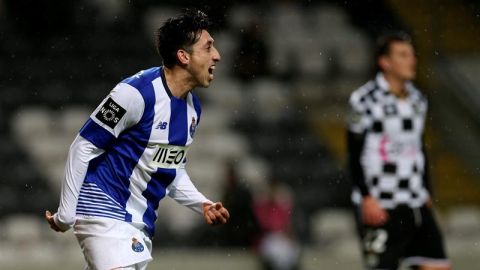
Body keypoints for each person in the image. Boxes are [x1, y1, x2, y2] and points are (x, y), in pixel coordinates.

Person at [44, 9, 230, 270]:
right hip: (103, 210)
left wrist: (202, 203)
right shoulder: (134, 93)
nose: (217, 55)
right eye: (208, 47)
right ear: (183, 56)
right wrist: (66, 213)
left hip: (137, 223)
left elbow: (170, 168)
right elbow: (83, 146)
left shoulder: (192, 110)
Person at [347, 33, 451, 270]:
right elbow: (354, 153)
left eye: (412, 54)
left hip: (414, 202)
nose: (412, 60)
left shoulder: (417, 99)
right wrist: (366, 197)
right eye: (403, 55)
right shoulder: (364, 100)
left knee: (438, 266)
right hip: (381, 206)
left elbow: (418, 147)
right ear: (385, 62)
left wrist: (427, 189)